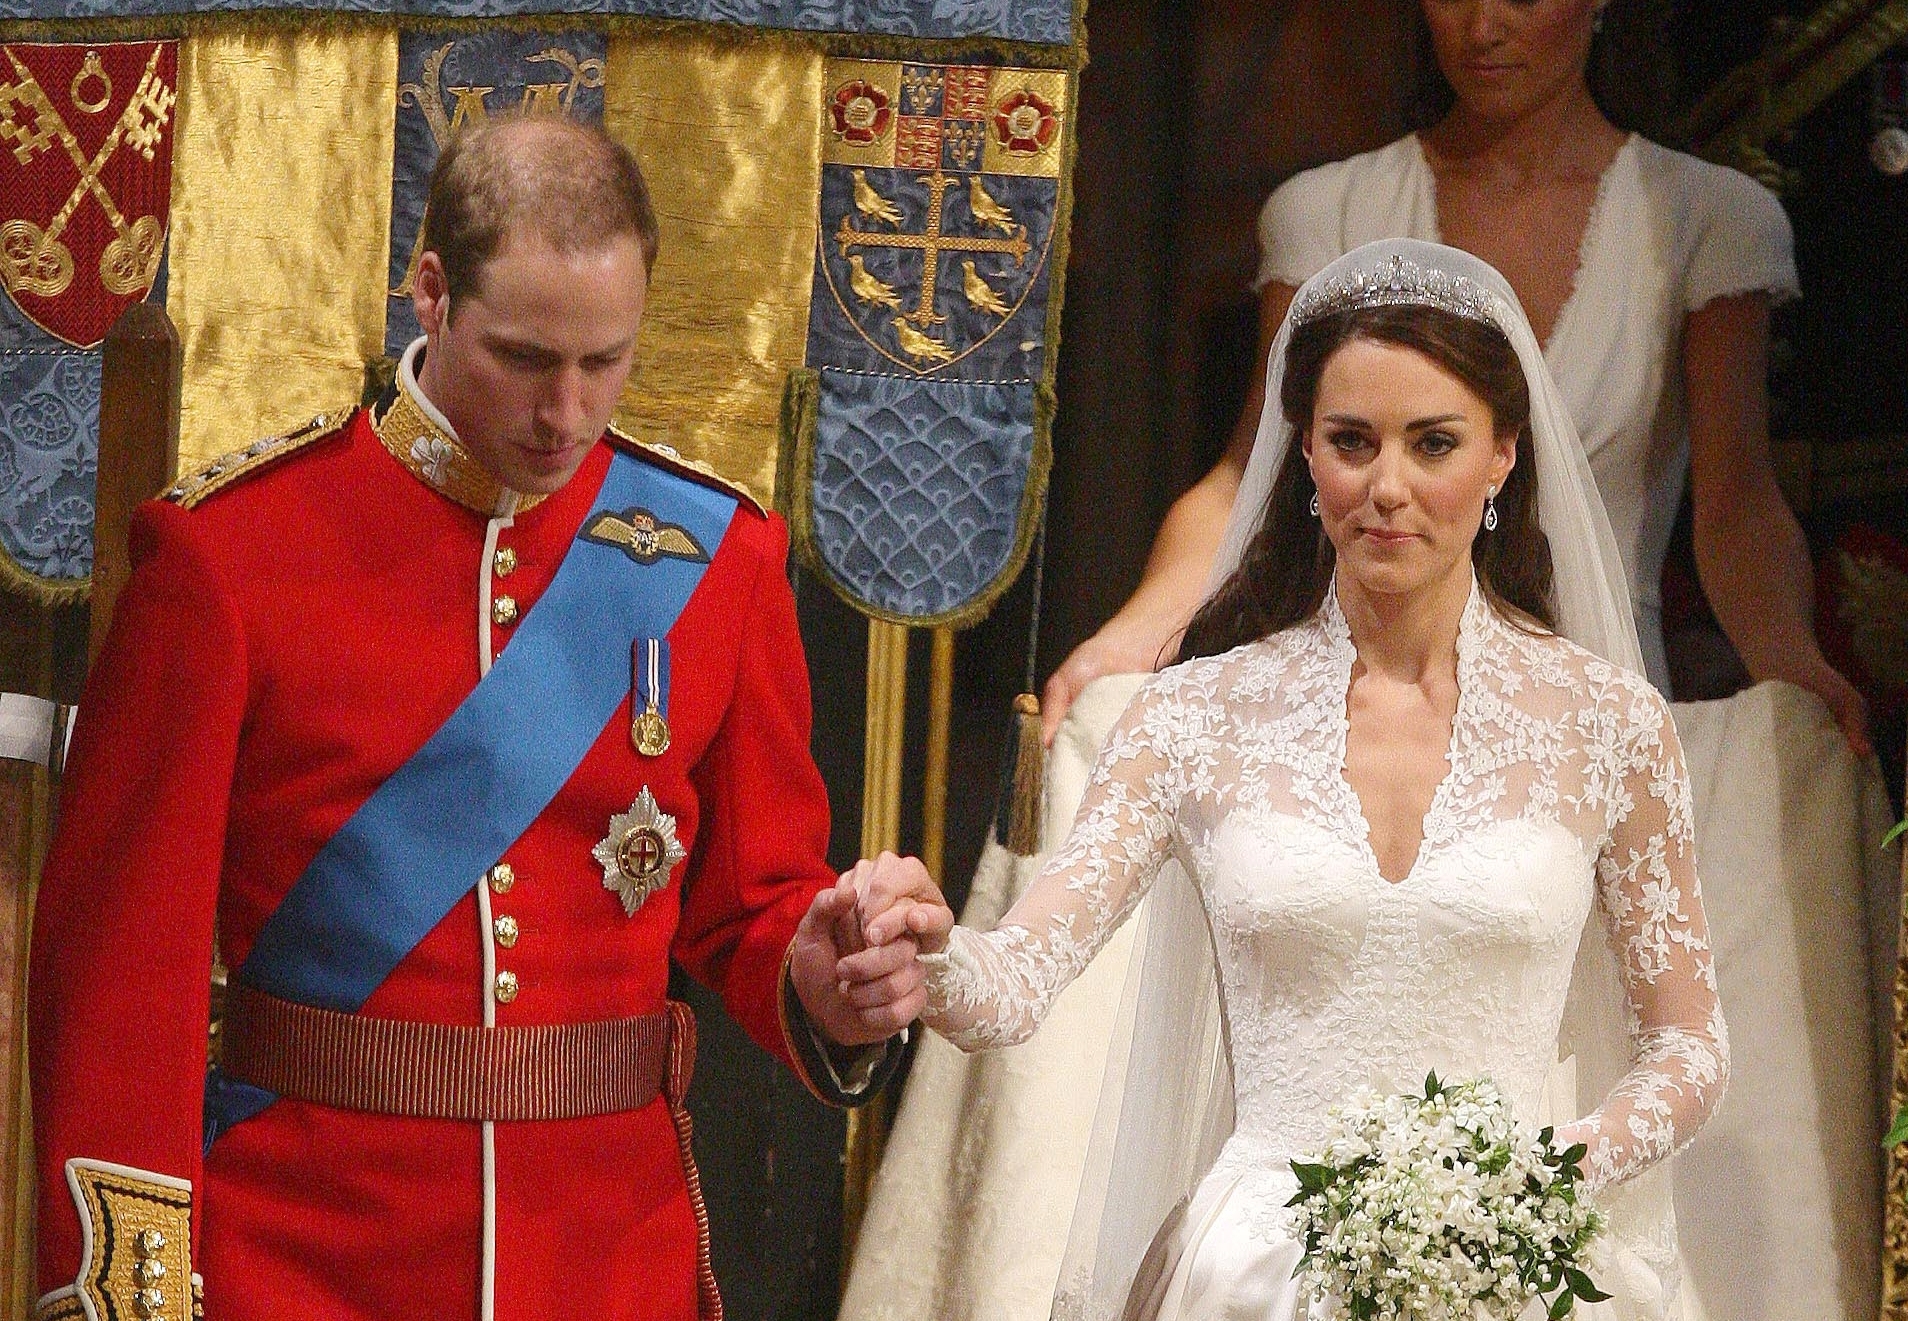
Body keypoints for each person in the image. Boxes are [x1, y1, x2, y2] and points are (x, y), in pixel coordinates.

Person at [1004, 3, 1894, 1316]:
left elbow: (1736, 501)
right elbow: (1240, 473)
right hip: (1285, 1172)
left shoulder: (1702, 217)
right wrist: (1138, 634)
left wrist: (1793, 663)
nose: (1484, 21)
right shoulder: (1329, 215)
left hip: (1567, 726)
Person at [28, 114, 920, 1321]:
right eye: (523, 357)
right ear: (432, 290)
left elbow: (755, 903)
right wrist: (131, 1289)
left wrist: (816, 978)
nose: (567, 412)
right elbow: (121, 976)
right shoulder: (230, 554)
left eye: (606, 362)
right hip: (302, 1262)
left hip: (610, 1262)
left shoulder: (720, 558)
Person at [849, 240, 1725, 1320]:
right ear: (1304, 452)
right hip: (1258, 1277)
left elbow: (1688, 1042)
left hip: (1514, 1260)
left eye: (1433, 442)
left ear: (1503, 454)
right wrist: (931, 953)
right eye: (1352, 442)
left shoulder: (1608, 723)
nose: (1387, 487)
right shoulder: (1194, 715)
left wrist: (1543, 1176)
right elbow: (1016, 981)